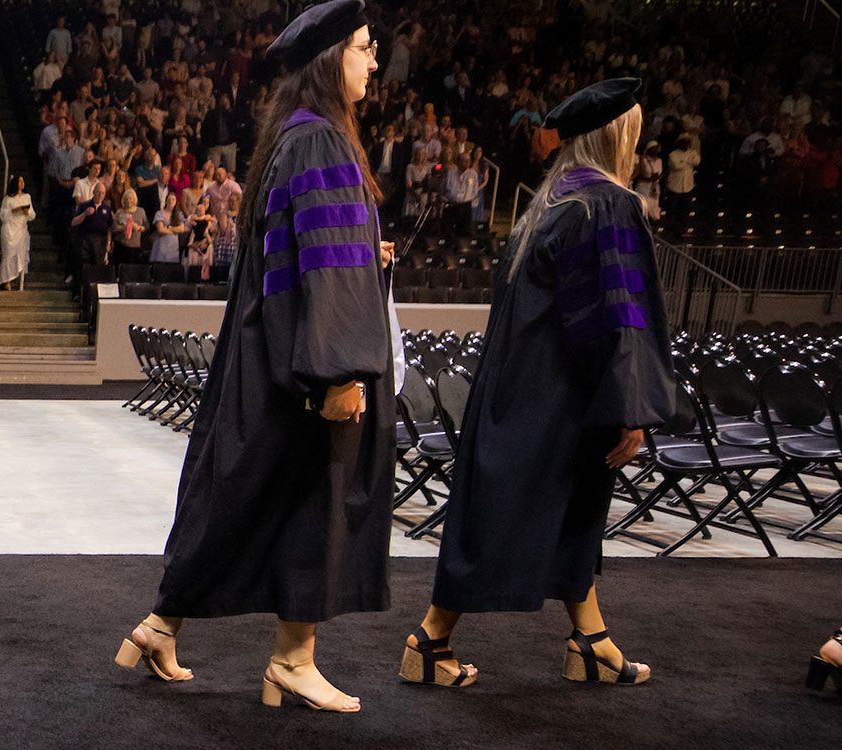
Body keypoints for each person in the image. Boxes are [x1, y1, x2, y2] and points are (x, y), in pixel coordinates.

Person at [115, 0, 394, 714]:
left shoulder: (288, 142)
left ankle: (160, 627)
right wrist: (339, 371)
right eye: (364, 47)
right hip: (310, 365)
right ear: (334, 59)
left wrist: (367, 250)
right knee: (310, 500)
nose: (374, 60)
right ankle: (292, 660)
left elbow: (307, 253)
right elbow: (326, 271)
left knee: (247, 498)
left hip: (271, 356)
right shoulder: (325, 143)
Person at [412, 79, 675, 690]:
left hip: (515, 389)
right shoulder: (609, 206)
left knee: (569, 512)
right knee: (511, 519)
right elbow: (614, 315)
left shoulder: (548, 204)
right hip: (559, 397)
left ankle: (591, 641)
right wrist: (627, 404)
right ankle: (428, 640)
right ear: (618, 137)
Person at [0, 176, 34, 290]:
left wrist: (27, 212)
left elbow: (32, 215)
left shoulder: (27, 197)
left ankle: (19, 279)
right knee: (8, 254)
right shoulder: (8, 199)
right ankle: (6, 280)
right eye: (19, 181)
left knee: (20, 254)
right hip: (9, 230)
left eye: (23, 181)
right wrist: (15, 210)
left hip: (21, 230)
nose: (22, 183)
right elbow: (2, 216)